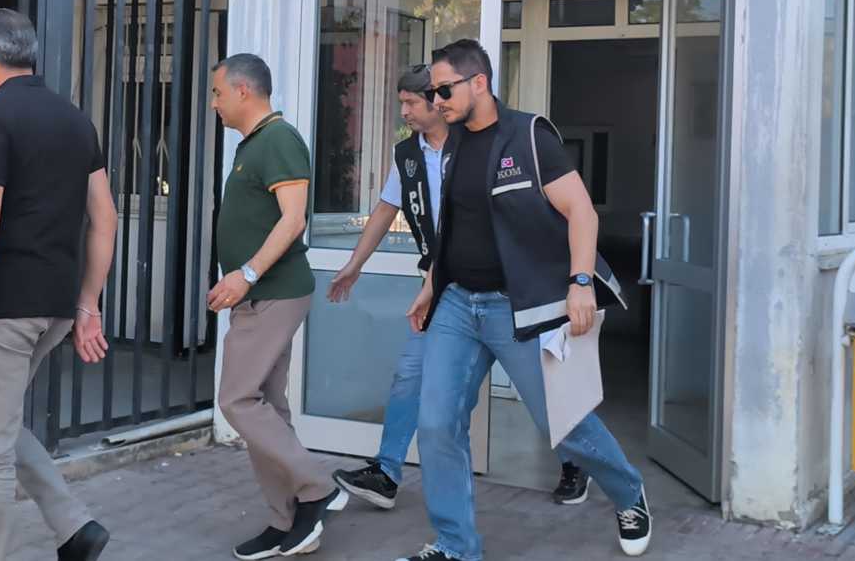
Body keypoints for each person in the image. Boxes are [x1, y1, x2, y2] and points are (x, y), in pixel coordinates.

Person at [397, 39, 652, 561]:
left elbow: (581, 212)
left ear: (479, 83)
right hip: (457, 304)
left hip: (519, 307)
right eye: (433, 92)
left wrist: (580, 283)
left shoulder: (530, 136)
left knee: (565, 424)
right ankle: (455, 546)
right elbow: (455, 225)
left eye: (443, 90)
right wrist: (431, 284)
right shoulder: (453, 143)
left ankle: (629, 493)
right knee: (437, 424)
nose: (436, 100)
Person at [0, 9, 114, 561]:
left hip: (2, 309)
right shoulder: (75, 119)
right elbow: (105, 218)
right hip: (55, 307)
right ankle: (75, 528)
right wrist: (87, 304)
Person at [206, 53, 347, 560]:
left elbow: (293, 220)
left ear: (243, 90)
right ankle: (288, 519)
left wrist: (245, 275)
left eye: (218, 93)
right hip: (261, 294)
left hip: (273, 292)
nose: (214, 103)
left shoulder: (280, 139)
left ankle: (317, 488)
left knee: (237, 399)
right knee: (267, 405)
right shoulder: (254, 144)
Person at [324, 65, 447, 510]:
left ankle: (576, 460)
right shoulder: (408, 154)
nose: (404, 112)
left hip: (491, 288)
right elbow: (384, 209)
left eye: (411, 103)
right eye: (402, 103)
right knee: (410, 374)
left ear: (436, 101)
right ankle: (387, 473)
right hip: (438, 286)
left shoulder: (473, 146)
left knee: (534, 380)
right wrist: (354, 264)